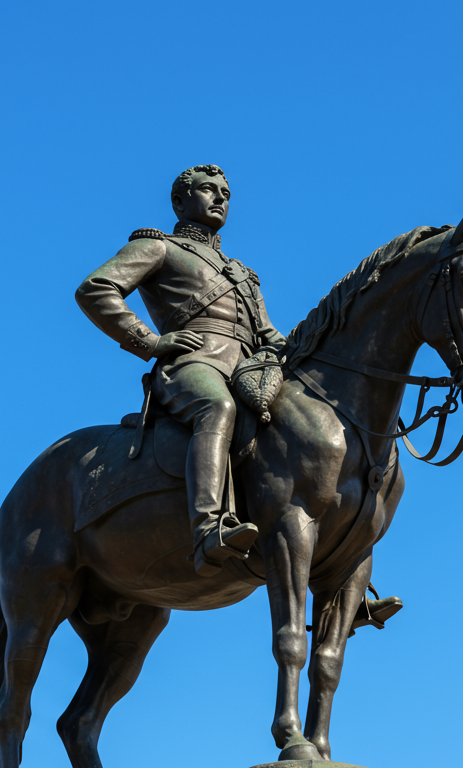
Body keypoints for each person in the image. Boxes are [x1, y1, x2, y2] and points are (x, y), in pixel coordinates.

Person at [75, 164, 283, 576]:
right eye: (209, 190)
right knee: (217, 408)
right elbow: (95, 289)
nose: (221, 198)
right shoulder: (160, 248)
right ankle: (209, 529)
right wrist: (150, 342)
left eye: (226, 192)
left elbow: (268, 333)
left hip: (247, 368)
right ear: (179, 201)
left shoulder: (243, 273)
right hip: (193, 364)